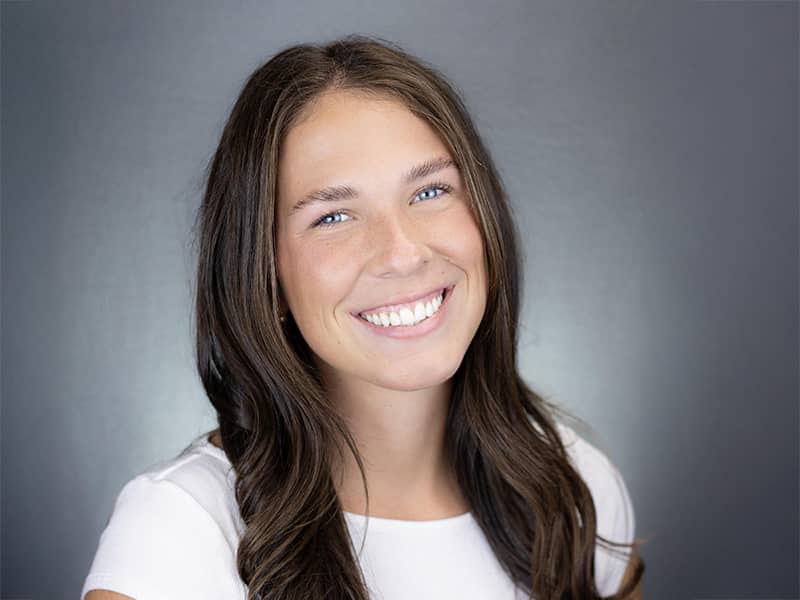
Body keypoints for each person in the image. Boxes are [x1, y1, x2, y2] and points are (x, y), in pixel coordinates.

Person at [82, 34, 645, 600]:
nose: (403, 253)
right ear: (264, 276)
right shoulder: (181, 532)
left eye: (430, 191)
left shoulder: (578, 493)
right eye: (334, 217)